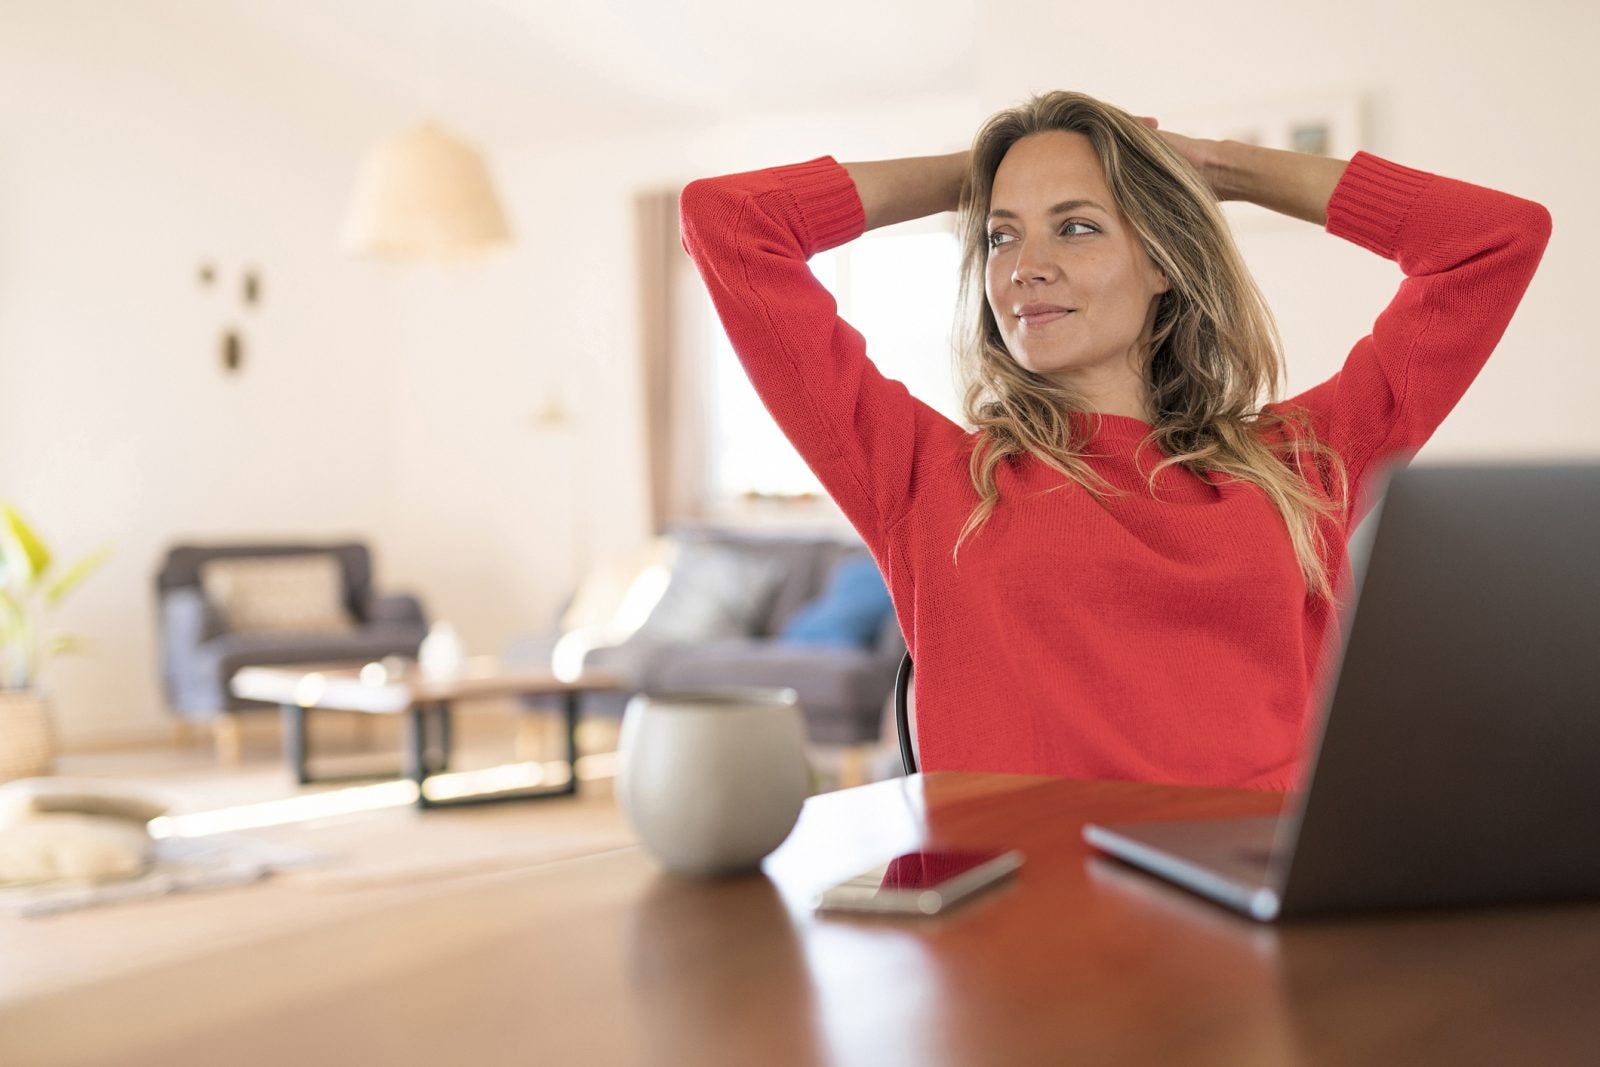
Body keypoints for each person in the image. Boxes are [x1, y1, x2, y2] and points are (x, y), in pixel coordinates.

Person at [677, 91, 1551, 790]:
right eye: (1000, 234)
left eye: (1078, 224)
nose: (1026, 264)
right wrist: (975, 173)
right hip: (1027, 945)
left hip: (1256, 924)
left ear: (1163, 260)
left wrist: (1214, 166)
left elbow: (1491, 241)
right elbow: (729, 222)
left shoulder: (1300, 463)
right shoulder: (923, 475)